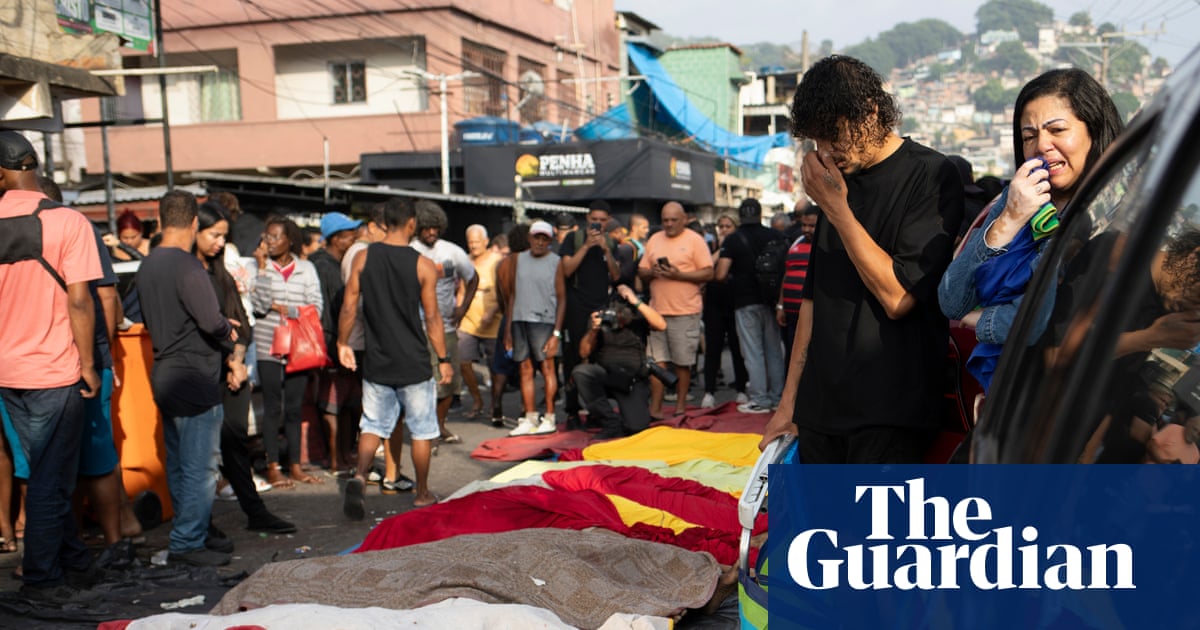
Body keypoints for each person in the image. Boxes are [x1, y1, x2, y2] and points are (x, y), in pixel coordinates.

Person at [759, 55, 963, 463]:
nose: (826, 152)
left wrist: (836, 207)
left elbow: (898, 297)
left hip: (890, 411)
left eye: (833, 135)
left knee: (870, 527)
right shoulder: (836, 183)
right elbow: (813, 302)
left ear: (871, 112)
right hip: (821, 408)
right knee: (819, 527)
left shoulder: (931, 174)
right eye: (815, 141)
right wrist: (787, 405)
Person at [938, 68, 1124, 392]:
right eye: (1029, 136)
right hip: (1016, 402)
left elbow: (1037, 321)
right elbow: (952, 300)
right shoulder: (1018, 200)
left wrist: (981, 322)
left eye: (1057, 130)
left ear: (1093, 130)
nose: (1042, 146)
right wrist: (1009, 220)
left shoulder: (1111, 213)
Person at [0, 131, 103, 602]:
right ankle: (42, 578)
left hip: (7, 373)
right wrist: (89, 364)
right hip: (54, 370)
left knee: (43, 471)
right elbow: (80, 301)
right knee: (50, 479)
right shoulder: (68, 221)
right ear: (34, 163)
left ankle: (75, 561)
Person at [137, 190, 238, 567]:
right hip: (194, 374)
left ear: (161, 220)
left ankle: (189, 535)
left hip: (165, 370)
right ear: (195, 223)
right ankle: (187, 543)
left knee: (181, 463)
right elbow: (210, 321)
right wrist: (227, 329)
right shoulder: (186, 266)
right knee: (200, 468)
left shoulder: (149, 264)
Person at [338, 198, 452, 518]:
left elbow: (349, 306)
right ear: (413, 223)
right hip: (413, 361)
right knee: (422, 429)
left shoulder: (363, 257)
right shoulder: (422, 264)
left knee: (372, 424)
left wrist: (342, 343)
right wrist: (443, 358)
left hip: (377, 358)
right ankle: (422, 492)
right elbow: (432, 319)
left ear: (384, 222)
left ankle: (360, 476)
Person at [195, 201, 297, 535]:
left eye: (224, 236)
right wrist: (229, 360)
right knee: (201, 453)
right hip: (202, 373)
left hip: (232, 372)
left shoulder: (221, 270)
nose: (220, 243)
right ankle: (200, 523)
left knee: (235, 443)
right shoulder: (187, 272)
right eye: (214, 235)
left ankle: (254, 511)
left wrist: (237, 360)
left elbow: (242, 323)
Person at [251, 216, 324, 487]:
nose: (268, 242)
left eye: (275, 237)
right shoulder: (258, 267)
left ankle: (295, 466)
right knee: (272, 407)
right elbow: (258, 306)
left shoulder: (306, 268)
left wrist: (284, 309)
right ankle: (273, 467)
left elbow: (316, 307)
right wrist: (260, 270)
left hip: (298, 346)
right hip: (267, 345)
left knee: (294, 408)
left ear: (289, 239)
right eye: (266, 236)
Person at [638, 201, 714, 419]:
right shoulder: (654, 239)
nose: (669, 224)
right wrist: (653, 271)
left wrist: (678, 275)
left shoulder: (695, 240)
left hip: (685, 311)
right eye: (665, 220)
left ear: (683, 220)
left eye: (673, 220)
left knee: (682, 362)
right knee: (656, 362)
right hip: (657, 311)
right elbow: (641, 271)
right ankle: (656, 409)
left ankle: (681, 407)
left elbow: (709, 273)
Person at [410, 200, 477, 444]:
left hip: (446, 328)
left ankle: (439, 426)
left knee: (450, 384)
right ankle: (425, 430)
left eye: (435, 228)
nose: (431, 233)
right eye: (426, 228)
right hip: (416, 328)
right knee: (421, 384)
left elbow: (473, 277)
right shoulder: (410, 249)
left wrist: (463, 308)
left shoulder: (452, 251)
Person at [573, 285, 667, 439]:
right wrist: (594, 330)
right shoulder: (600, 318)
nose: (618, 320)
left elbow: (662, 325)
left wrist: (635, 301)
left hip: (632, 379)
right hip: (607, 375)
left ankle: (628, 416)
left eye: (622, 316)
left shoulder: (638, 319)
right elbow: (583, 352)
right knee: (581, 372)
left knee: (636, 427)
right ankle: (610, 422)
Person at [308, 211, 363, 473]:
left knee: (347, 403)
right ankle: (335, 459)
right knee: (333, 403)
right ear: (335, 239)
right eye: (348, 234)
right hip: (331, 342)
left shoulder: (336, 263)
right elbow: (335, 309)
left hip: (340, 340)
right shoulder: (324, 266)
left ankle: (343, 454)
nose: (353, 238)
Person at [558, 201, 620, 428]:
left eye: (603, 220)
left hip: (601, 305)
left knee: (599, 358)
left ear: (608, 220)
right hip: (576, 307)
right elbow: (566, 270)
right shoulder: (572, 240)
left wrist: (605, 249)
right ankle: (572, 411)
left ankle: (596, 410)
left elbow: (615, 275)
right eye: (595, 219)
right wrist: (585, 246)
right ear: (587, 218)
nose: (598, 224)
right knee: (573, 357)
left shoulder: (611, 242)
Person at [505, 220, 567, 436]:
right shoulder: (517, 259)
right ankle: (529, 416)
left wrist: (556, 333)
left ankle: (549, 416)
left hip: (544, 321)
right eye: (536, 237)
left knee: (548, 368)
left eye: (544, 239)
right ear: (529, 238)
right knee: (525, 369)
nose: (540, 242)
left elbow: (562, 299)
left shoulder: (555, 262)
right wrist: (508, 329)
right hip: (520, 320)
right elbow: (513, 294)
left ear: (550, 241)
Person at [700, 214, 749, 409]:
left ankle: (741, 389)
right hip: (713, 304)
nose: (724, 229)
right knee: (713, 348)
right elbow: (706, 266)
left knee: (737, 349)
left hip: (734, 302)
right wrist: (722, 248)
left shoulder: (739, 246)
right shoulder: (712, 248)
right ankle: (709, 391)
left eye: (728, 226)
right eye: (721, 226)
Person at [458, 224, 502, 421]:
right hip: (468, 322)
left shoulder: (497, 262)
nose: (473, 246)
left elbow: (505, 292)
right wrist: (457, 314)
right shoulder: (465, 261)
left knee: (495, 367)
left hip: (493, 322)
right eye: (470, 242)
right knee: (463, 361)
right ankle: (477, 399)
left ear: (486, 242)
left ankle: (495, 402)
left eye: (477, 242)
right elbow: (460, 290)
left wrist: (492, 311)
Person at [777, 202, 819, 367]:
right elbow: (787, 274)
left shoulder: (824, 246)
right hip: (791, 314)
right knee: (791, 354)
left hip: (812, 316)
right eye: (804, 225)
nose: (807, 229)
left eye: (812, 226)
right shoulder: (796, 243)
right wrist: (781, 306)